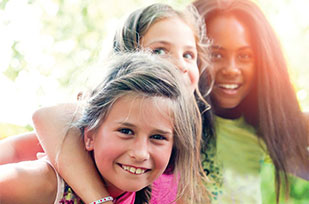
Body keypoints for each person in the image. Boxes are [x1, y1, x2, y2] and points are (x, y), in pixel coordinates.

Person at [0, 3, 211, 204]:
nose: (179, 64)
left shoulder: (178, 150)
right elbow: (45, 120)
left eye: (188, 54)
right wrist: (99, 199)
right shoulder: (53, 176)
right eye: (159, 51)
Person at [192, 0, 309, 203]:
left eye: (245, 56)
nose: (231, 69)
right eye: (216, 54)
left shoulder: (281, 130)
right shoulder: (170, 126)